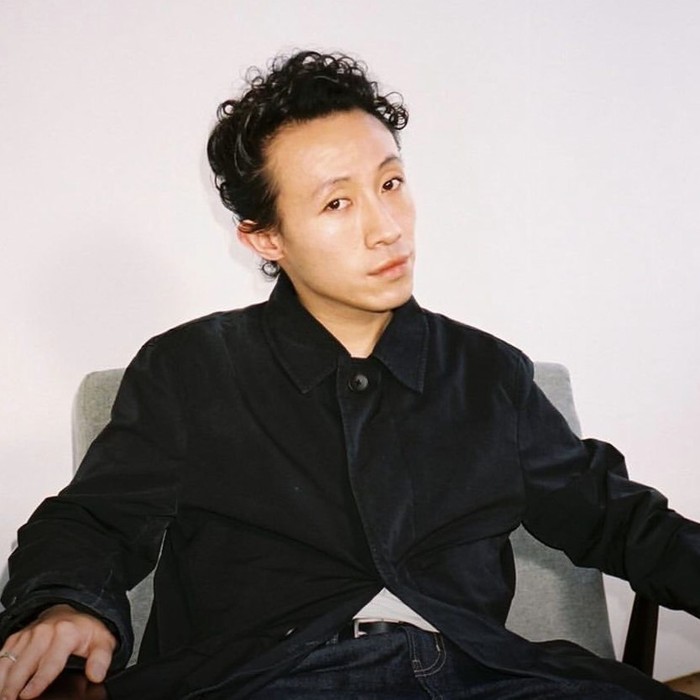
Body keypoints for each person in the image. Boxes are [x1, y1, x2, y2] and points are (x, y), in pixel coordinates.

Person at [0, 50, 698, 700]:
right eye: (338, 203)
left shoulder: (487, 374)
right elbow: (94, 519)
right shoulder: (192, 369)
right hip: (267, 679)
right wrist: (64, 604)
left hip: (479, 676)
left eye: (390, 183)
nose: (387, 227)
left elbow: (618, 518)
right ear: (264, 236)